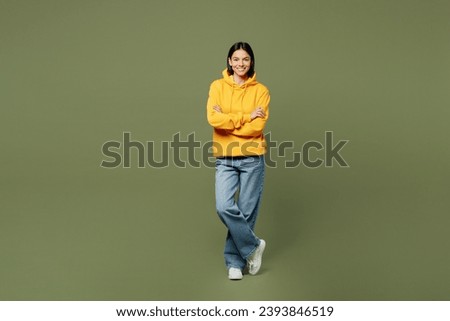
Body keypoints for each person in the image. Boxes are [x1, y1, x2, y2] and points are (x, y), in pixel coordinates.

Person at [206, 42, 270, 280]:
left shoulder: (261, 91)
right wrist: (245, 117)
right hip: (225, 157)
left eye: (245, 59)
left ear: (251, 62)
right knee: (224, 206)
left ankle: (235, 263)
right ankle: (254, 246)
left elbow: (257, 127)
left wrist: (229, 121)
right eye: (236, 59)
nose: (241, 64)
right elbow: (213, 119)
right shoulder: (217, 86)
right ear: (229, 62)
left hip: (252, 158)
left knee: (246, 211)